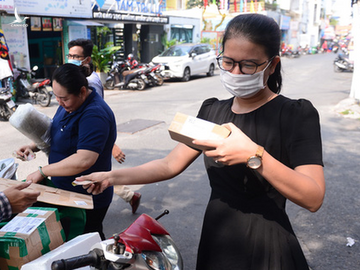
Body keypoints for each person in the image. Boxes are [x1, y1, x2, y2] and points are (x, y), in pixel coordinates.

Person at [76, 13, 325, 269]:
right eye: (228, 62)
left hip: (266, 246)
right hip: (217, 238)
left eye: (248, 65)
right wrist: (111, 177)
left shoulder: (296, 114)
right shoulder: (212, 111)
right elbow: (169, 165)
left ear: (272, 65)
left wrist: (255, 155)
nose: (235, 72)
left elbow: (313, 197)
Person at [15, 64, 117, 240]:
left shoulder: (94, 115)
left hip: (87, 196)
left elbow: (84, 160)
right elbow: (56, 129)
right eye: (56, 96)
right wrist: (33, 146)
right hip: (65, 191)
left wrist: (42, 171)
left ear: (82, 91)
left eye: (64, 98)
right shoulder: (70, 104)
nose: (59, 102)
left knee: (87, 241)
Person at [67, 39, 141, 214]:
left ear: (87, 59)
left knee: (93, 174)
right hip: (80, 137)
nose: (71, 59)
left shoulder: (89, 83)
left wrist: (111, 145)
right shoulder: (77, 79)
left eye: (76, 56)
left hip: (88, 139)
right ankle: (130, 195)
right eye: (70, 55)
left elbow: (97, 118)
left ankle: (129, 195)